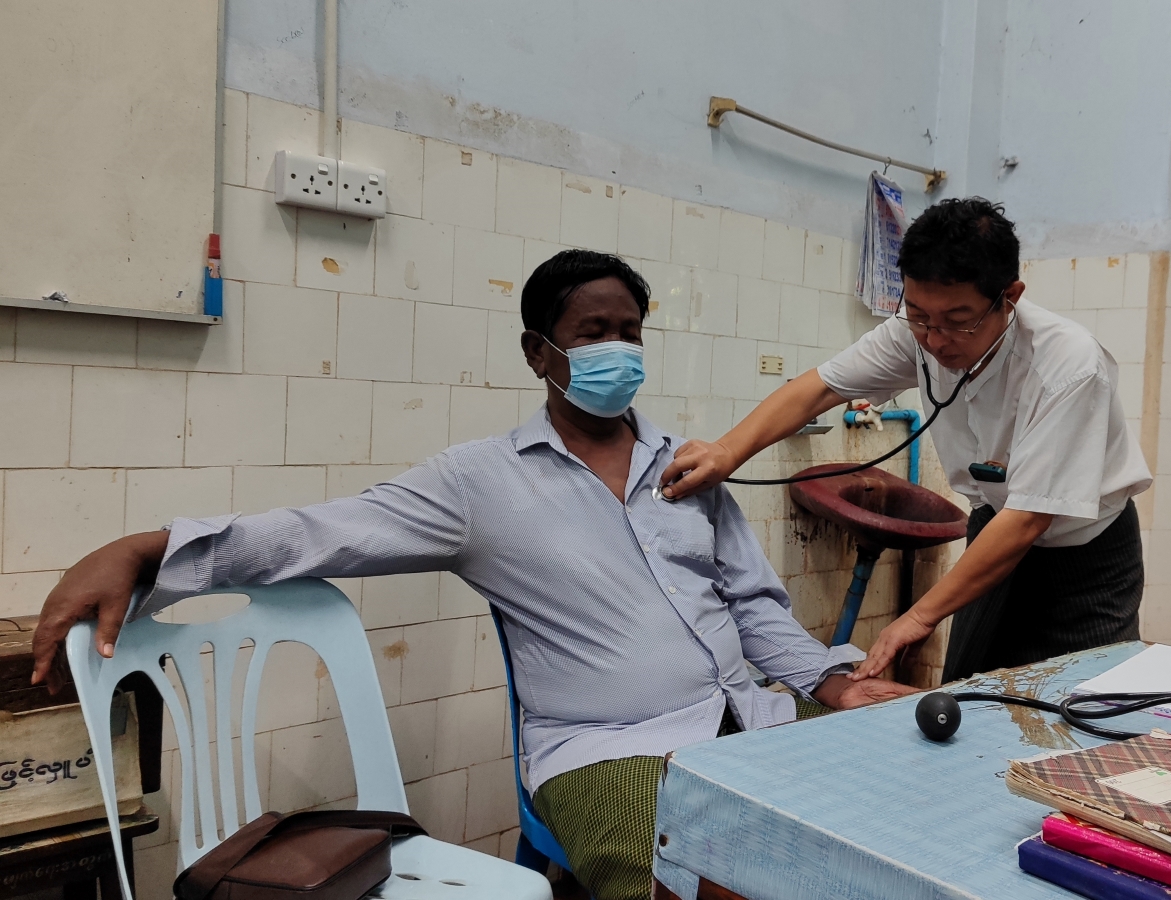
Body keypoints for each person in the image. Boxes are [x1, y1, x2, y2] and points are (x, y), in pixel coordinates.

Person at [30, 249, 916, 900]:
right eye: (593, 333)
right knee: (705, 884)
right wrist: (152, 548)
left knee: (894, 813)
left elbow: (754, 606)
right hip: (612, 751)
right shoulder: (480, 485)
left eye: (630, 333)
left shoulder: (691, 465)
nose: (617, 349)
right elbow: (326, 533)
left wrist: (829, 681)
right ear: (538, 352)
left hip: (748, 716)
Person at [661, 198, 1152, 683]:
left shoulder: (1069, 366)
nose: (935, 340)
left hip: (1083, 556)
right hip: (994, 529)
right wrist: (726, 451)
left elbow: (1028, 519)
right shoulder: (910, 334)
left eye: (958, 320)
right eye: (919, 315)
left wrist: (918, 616)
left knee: (1083, 701)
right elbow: (822, 388)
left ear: (1010, 296)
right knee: (970, 694)